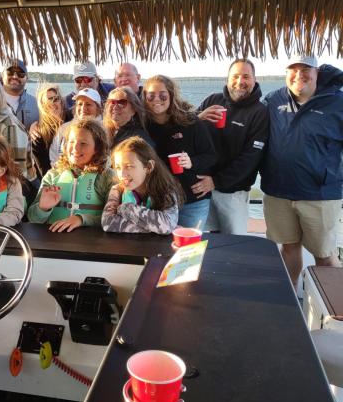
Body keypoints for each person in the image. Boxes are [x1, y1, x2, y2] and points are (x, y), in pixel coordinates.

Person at [261, 55, 343, 285]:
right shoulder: (273, 99)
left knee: (325, 256)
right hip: (278, 193)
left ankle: (333, 316)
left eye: (305, 68)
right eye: (293, 69)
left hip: (320, 196)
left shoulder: (337, 102)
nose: (299, 74)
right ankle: (290, 302)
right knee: (288, 248)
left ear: (318, 72)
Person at [197, 59, 269, 235]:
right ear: (227, 79)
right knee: (204, 243)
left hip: (233, 193)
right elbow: (189, 133)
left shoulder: (259, 112)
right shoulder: (213, 100)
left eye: (246, 76)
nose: (240, 81)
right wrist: (198, 118)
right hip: (203, 189)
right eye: (235, 76)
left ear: (254, 79)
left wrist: (216, 181)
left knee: (233, 245)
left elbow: (251, 158)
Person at [143, 75, 217, 229]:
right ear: (145, 97)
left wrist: (192, 162)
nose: (157, 99)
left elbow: (211, 156)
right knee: (159, 249)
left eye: (163, 94)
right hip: (158, 202)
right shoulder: (142, 126)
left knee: (188, 250)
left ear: (171, 95)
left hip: (193, 200)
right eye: (151, 95)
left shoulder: (190, 122)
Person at [28, 119, 114, 232]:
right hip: (53, 242)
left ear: (97, 148)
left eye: (83, 143)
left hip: (92, 245)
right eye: (71, 142)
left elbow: (113, 219)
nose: (75, 148)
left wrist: (81, 219)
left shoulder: (106, 177)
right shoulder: (53, 175)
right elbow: (33, 219)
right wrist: (42, 208)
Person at [102, 136, 183, 234]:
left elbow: (167, 224)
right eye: (118, 167)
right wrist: (155, 228)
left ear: (149, 167)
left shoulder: (166, 190)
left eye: (129, 166)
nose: (122, 174)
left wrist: (126, 208)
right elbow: (108, 223)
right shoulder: (117, 190)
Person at [50, 87, 103, 164]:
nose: (83, 108)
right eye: (80, 104)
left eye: (88, 104)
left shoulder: (105, 130)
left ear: (98, 108)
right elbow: (54, 155)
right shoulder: (64, 128)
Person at [30, 84, 72, 180]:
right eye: (48, 100)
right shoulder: (38, 135)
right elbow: (44, 171)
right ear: (42, 106)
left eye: (56, 99)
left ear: (61, 101)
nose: (52, 103)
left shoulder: (72, 120)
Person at [1, 59, 39, 129]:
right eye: (10, 72)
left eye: (20, 74)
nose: (15, 77)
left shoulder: (36, 104)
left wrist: (37, 125)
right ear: (2, 75)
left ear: (26, 78)